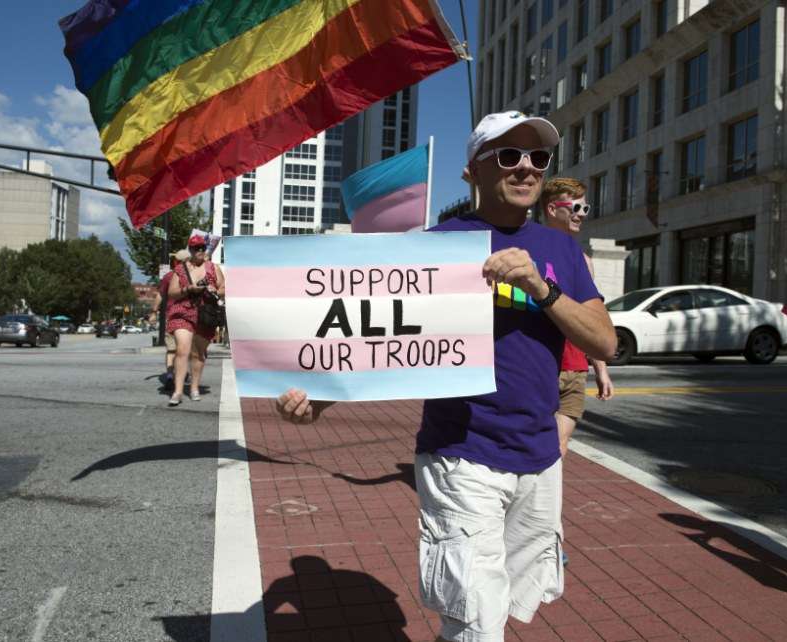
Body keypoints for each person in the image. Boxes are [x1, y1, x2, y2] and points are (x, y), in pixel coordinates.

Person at [275, 111, 616, 641]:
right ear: (472, 172)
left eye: (537, 159)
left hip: (541, 456)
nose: (526, 168)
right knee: (477, 621)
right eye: (508, 156)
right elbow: (379, 336)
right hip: (462, 456)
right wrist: (319, 393)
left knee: (506, 605)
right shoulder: (431, 247)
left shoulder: (560, 249)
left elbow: (604, 340)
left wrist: (539, 287)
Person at [538, 177, 614, 458]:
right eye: (575, 207)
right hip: (543, 364)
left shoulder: (584, 260)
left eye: (585, 208)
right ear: (551, 209)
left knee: (558, 448)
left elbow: (592, 317)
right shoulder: (532, 250)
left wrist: (601, 371)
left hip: (575, 367)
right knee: (536, 446)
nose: (581, 214)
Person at [166, 235, 225, 406]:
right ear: (190, 250)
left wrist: (215, 289)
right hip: (183, 312)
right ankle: (177, 391)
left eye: (202, 248)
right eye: (195, 248)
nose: (199, 251)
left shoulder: (213, 268)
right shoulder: (180, 269)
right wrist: (188, 288)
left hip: (205, 314)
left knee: (198, 353)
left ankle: (194, 387)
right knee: (182, 350)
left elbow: (224, 288)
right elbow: (172, 293)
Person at [150, 248, 190, 391]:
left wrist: (154, 312)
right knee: (184, 349)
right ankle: (179, 373)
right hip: (187, 318)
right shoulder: (193, 275)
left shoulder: (169, 276)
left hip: (172, 317)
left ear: (175, 262)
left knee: (172, 349)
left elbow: (160, 295)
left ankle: (169, 376)